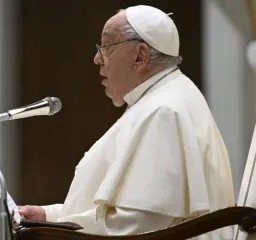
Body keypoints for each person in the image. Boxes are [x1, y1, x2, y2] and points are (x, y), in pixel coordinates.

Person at [19, 5, 235, 238]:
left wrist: (51, 229)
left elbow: (138, 227)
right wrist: (49, 216)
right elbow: (127, 217)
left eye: (106, 47)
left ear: (140, 56)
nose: (96, 59)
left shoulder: (164, 111)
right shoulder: (160, 99)